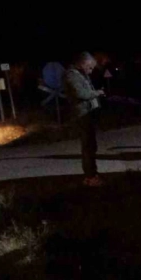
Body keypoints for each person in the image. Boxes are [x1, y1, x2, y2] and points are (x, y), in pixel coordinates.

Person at [63, 52, 106, 186]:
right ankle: (90, 177)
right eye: (90, 67)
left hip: (87, 114)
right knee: (88, 147)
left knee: (91, 146)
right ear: (82, 63)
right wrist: (97, 93)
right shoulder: (71, 75)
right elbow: (81, 93)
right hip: (82, 115)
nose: (91, 71)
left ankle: (92, 174)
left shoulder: (80, 74)